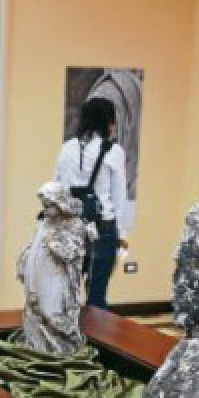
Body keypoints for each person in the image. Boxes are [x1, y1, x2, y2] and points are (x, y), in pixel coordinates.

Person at [53, 97, 128, 309]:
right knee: (97, 293)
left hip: (70, 225)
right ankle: (96, 337)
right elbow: (118, 196)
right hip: (102, 226)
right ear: (108, 122)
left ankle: (67, 335)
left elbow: (58, 187)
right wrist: (121, 234)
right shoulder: (113, 151)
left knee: (68, 288)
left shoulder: (67, 147)